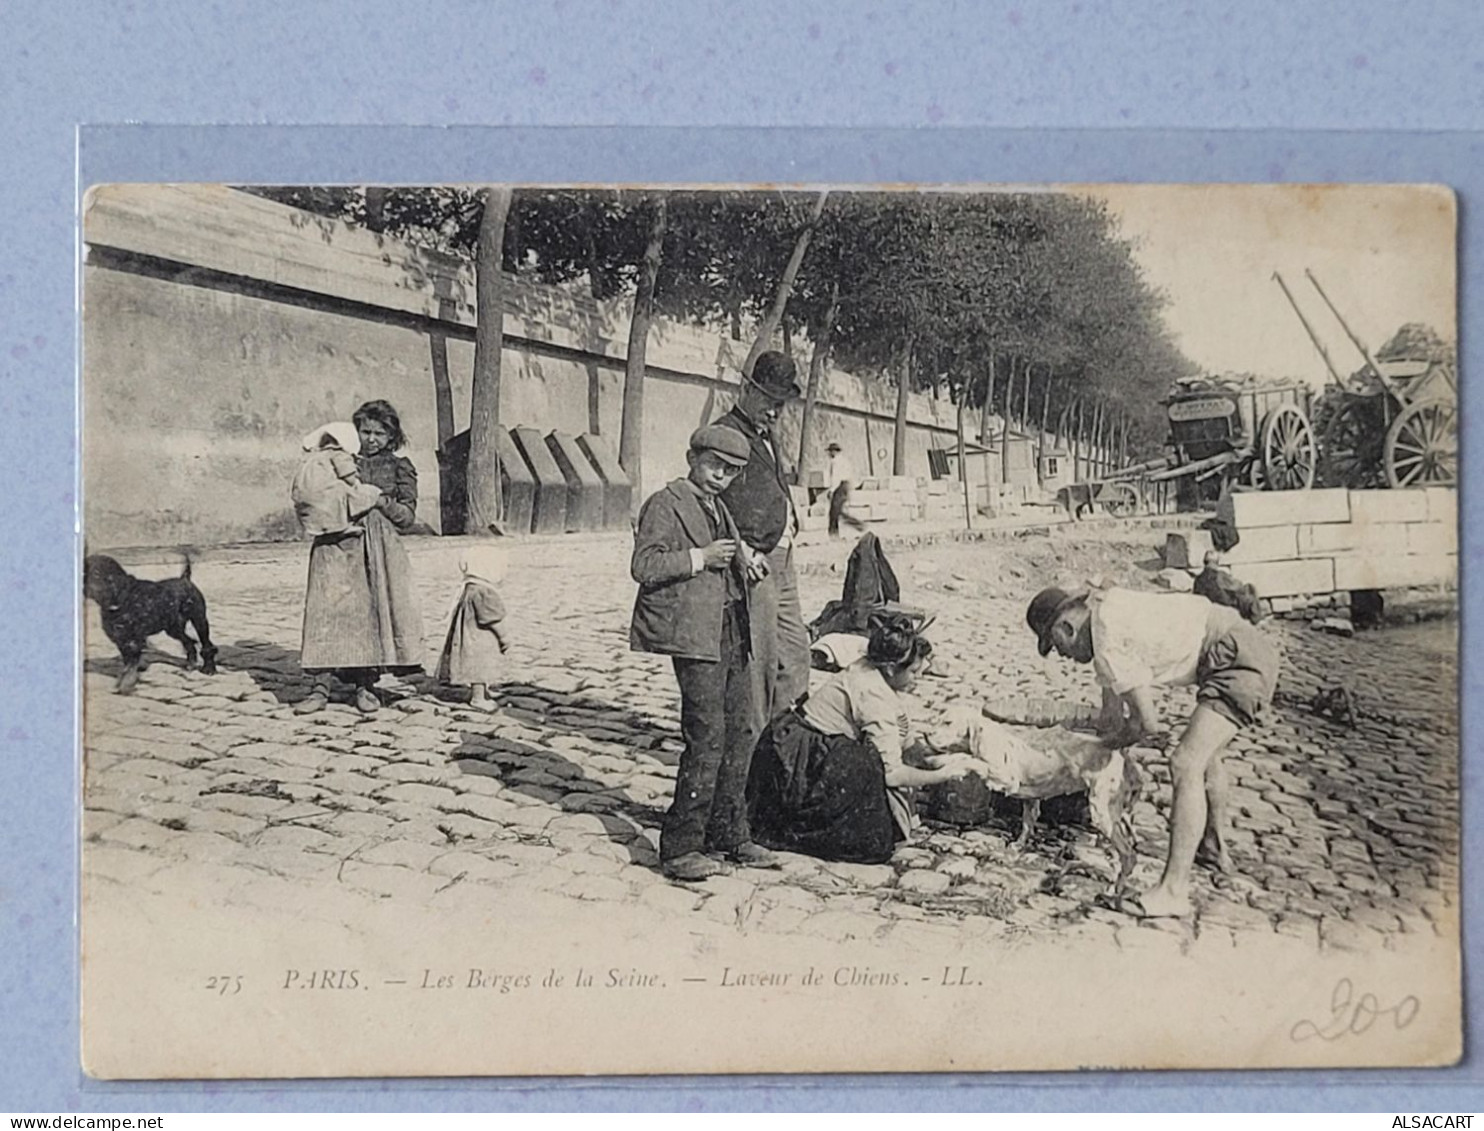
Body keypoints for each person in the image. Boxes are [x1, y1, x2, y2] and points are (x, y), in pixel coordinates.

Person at [1026, 584, 1280, 919]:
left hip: (1238, 663)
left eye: (1057, 648)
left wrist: (1095, 752)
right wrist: (1075, 732)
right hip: (1243, 645)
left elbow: (1147, 723)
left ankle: (1173, 891)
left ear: (1065, 628)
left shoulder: (1107, 642)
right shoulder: (1106, 609)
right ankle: (1212, 848)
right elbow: (1112, 718)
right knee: (1209, 758)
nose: (1063, 657)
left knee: (1186, 763)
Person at [630, 425, 777, 882]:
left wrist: (746, 561)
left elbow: (727, 551)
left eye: (731, 472)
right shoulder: (665, 502)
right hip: (694, 635)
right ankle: (679, 846)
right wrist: (700, 557)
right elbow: (644, 566)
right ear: (692, 456)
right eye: (715, 466)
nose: (721, 477)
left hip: (731, 627)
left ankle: (729, 833)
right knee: (707, 735)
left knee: (740, 729)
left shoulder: (718, 506)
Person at [746, 614, 978, 864]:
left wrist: (936, 757)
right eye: (913, 672)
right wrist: (940, 776)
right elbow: (893, 773)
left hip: (789, 741)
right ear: (891, 668)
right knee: (869, 804)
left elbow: (904, 737)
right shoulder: (874, 696)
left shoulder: (870, 666)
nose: (918, 678)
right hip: (801, 762)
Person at [296, 400, 425, 715]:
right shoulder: (337, 458)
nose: (371, 439)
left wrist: (379, 501)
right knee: (327, 611)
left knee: (369, 613)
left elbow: (407, 517)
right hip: (335, 543)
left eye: (380, 433)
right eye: (365, 431)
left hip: (377, 547)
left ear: (392, 436)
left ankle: (365, 686)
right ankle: (319, 687)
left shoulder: (399, 466)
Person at [714, 350, 811, 735]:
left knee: (796, 654)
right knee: (762, 661)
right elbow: (714, 500)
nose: (774, 412)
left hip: (783, 557)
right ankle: (752, 750)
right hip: (757, 561)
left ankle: (782, 740)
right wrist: (741, 550)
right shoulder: (727, 434)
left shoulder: (766, 436)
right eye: (769, 402)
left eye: (781, 405)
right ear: (747, 390)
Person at [436, 543, 509, 713]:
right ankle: (478, 698)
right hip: (479, 640)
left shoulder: (470, 587)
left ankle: (480, 692)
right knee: (479, 667)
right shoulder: (484, 592)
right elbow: (492, 618)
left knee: (478, 667)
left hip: (469, 637)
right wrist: (504, 637)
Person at [291, 421, 384, 538]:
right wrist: (360, 483)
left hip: (305, 496)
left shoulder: (316, 456)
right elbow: (349, 477)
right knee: (345, 492)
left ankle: (329, 528)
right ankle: (342, 528)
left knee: (331, 499)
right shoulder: (339, 455)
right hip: (325, 493)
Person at [1192, 551, 1262, 624]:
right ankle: (1257, 622)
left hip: (1208, 609)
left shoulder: (1197, 579)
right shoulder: (1219, 575)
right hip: (1226, 605)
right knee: (1250, 590)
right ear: (1216, 562)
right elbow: (1237, 586)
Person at [824, 441, 866, 538]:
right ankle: (858, 525)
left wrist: (832, 489)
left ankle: (834, 534)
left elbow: (836, 477)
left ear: (834, 452)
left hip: (840, 486)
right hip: (846, 486)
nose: (830, 454)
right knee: (838, 511)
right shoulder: (845, 461)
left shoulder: (835, 462)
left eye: (831, 451)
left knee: (834, 512)